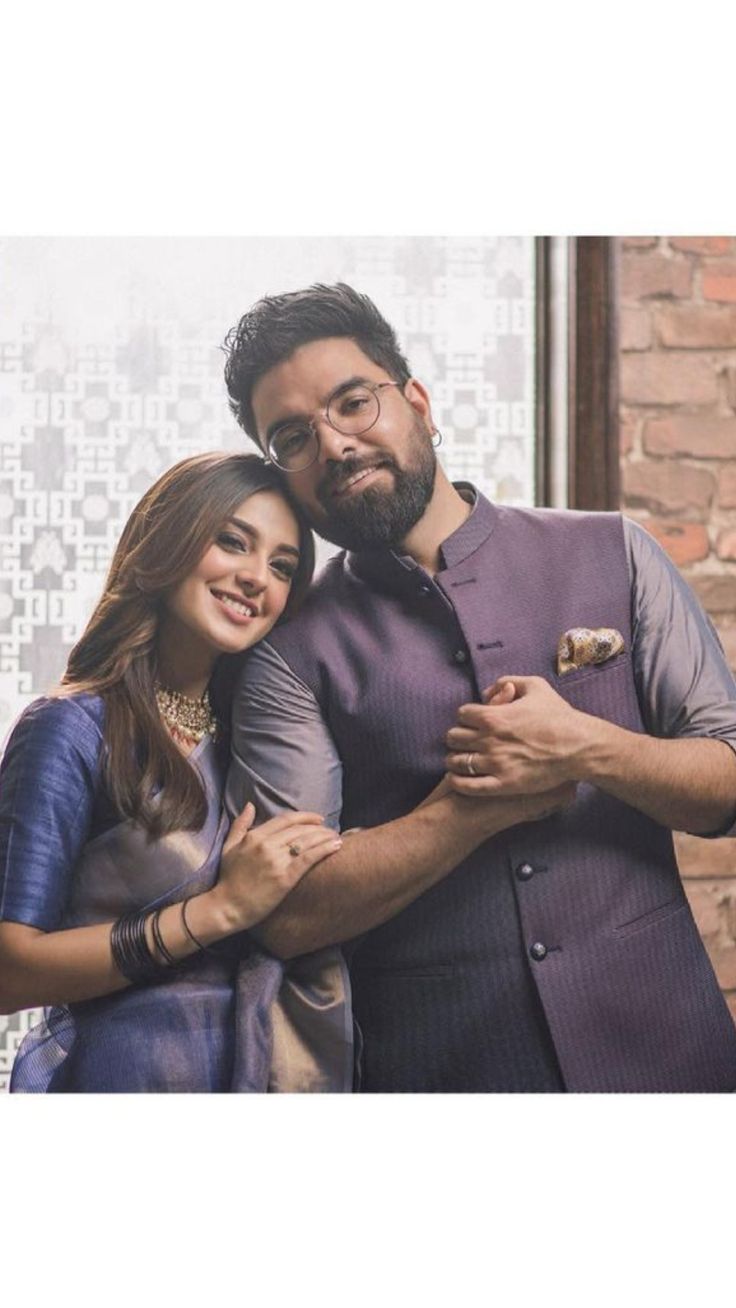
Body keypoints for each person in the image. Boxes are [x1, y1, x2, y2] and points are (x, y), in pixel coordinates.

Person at [222, 281, 736, 1093]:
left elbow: (727, 782)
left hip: (677, 1063)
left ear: (417, 402)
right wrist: (468, 812)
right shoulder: (287, 653)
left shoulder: (616, 550)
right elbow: (289, 914)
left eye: (354, 403)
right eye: (292, 437)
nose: (335, 446)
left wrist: (585, 747)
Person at [0, 452, 350, 1092]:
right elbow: (10, 970)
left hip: (254, 1073)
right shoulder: (71, 727)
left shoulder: (253, 740)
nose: (255, 579)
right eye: (232, 542)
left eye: (281, 566)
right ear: (169, 540)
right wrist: (216, 911)